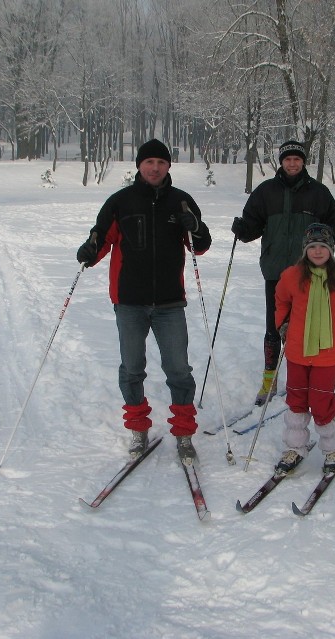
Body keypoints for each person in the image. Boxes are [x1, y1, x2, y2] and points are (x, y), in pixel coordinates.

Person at [76, 139, 212, 464]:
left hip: (169, 303)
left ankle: (183, 433)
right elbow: (101, 237)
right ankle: (138, 428)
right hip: (129, 302)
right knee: (133, 367)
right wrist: (89, 252)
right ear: (139, 165)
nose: (154, 168)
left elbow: (200, 245)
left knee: (178, 369)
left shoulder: (181, 202)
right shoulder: (120, 202)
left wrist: (195, 227)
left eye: (161, 163)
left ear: (168, 167)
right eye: (149, 162)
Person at [231, 140, 335, 406]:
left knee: (311, 327)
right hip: (275, 271)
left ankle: (309, 379)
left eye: (297, 159)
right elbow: (252, 228)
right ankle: (269, 379)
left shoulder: (318, 193)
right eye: (288, 159)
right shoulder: (266, 192)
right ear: (281, 162)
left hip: (311, 274)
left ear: (303, 162)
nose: (292, 163)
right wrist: (242, 228)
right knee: (274, 327)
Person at [274, 223, 335, 474]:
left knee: (321, 402)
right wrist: (282, 324)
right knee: (297, 401)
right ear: (305, 250)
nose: (317, 251)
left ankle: (333, 448)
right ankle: (294, 448)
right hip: (297, 350)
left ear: (331, 250)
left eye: (322, 247)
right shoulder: (291, 275)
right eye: (312, 247)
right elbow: (281, 301)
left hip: (326, 353)